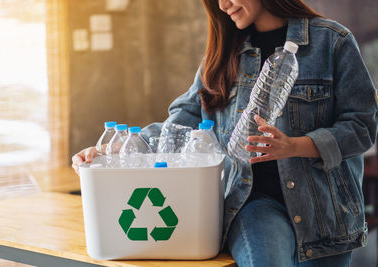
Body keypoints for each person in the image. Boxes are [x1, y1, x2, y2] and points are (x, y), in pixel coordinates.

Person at [72, 0, 378, 266]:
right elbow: (183, 122)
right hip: (253, 203)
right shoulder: (223, 53)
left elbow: (362, 126)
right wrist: (116, 145)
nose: (222, 5)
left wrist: (294, 146)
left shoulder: (333, 41)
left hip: (326, 212)